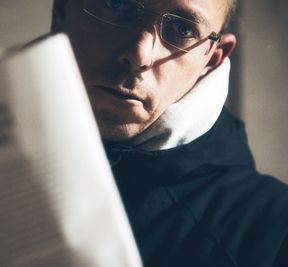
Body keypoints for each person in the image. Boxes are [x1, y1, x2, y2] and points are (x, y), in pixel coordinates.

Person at [50, 0, 288, 266]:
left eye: (183, 30)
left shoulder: (275, 236)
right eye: (118, 5)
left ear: (212, 60)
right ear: (61, 12)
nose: (140, 54)